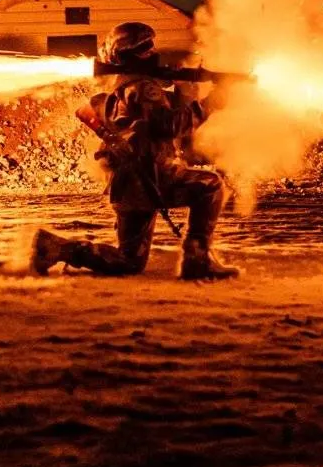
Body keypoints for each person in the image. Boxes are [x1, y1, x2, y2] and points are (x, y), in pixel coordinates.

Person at [31, 21, 238, 280]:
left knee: (129, 261)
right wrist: (210, 103)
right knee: (211, 186)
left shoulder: (123, 87)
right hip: (151, 176)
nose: (152, 51)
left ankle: (56, 247)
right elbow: (170, 125)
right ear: (131, 54)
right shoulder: (144, 88)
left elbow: (160, 118)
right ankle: (197, 259)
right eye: (145, 47)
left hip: (129, 182)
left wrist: (185, 90)